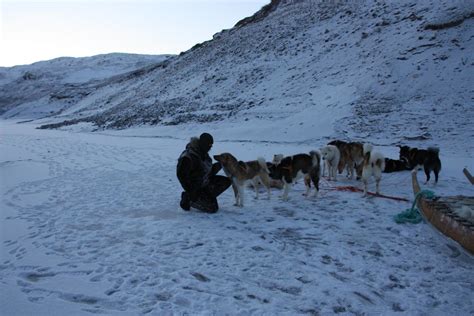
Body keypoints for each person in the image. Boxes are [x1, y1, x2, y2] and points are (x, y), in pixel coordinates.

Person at [176, 133, 231, 213]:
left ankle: (206, 197)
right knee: (212, 209)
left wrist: (220, 165)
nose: (210, 147)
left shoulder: (203, 153)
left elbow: (208, 172)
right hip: (194, 188)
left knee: (226, 181)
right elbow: (181, 175)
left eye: (211, 145)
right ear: (202, 143)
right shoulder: (188, 157)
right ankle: (188, 199)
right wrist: (191, 192)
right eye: (208, 144)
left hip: (204, 183)